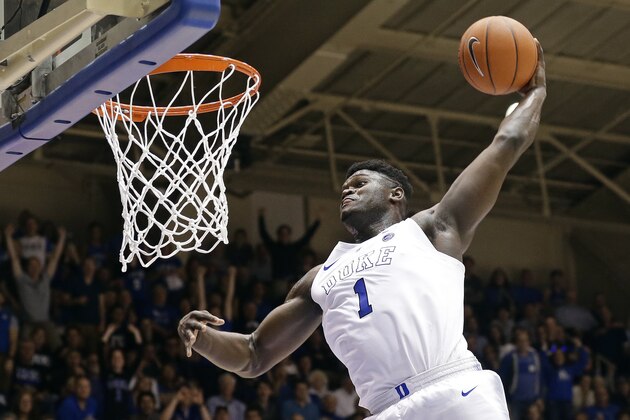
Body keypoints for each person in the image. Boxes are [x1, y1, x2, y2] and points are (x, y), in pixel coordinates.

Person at [178, 42, 547, 419]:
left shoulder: (431, 229)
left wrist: (535, 93)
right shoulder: (318, 280)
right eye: (345, 187)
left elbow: (507, 143)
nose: (347, 190)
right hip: (385, 410)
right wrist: (204, 339)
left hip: (453, 392)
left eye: (359, 183)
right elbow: (255, 354)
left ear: (395, 195)